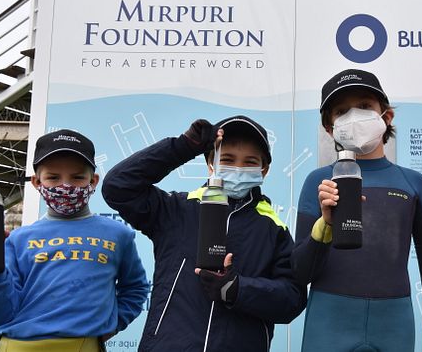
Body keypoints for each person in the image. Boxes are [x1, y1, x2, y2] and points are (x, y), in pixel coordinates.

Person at [101, 116, 306, 351]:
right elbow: (118, 186)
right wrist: (184, 146)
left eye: (249, 162)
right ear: (211, 164)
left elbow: (292, 299)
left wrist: (238, 289)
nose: (238, 168)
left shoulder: (274, 228)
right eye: (227, 159)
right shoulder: (176, 209)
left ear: (264, 169)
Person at [291, 69, 422, 352]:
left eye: (365, 106)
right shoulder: (318, 182)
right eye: (342, 111)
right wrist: (325, 225)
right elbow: (300, 272)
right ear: (330, 128)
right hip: (329, 321)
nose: (354, 116)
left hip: (394, 323)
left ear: (386, 116)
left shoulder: (413, 183)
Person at [0, 129, 148, 352]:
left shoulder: (118, 235)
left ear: (93, 181)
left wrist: (112, 325)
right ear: (36, 182)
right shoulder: (17, 240)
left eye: (78, 177)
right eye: (53, 177)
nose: (65, 186)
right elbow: (0, 315)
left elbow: (135, 288)